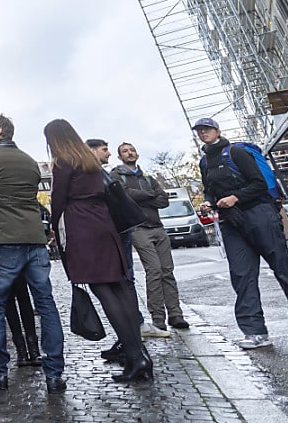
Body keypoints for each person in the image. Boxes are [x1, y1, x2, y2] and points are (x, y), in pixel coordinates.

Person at [0, 111, 66, 394]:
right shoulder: (28, 161)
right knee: (45, 304)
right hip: (35, 240)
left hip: (4, 240)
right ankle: (54, 374)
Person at [47, 119, 150, 383]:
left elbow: (58, 200)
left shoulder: (63, 162)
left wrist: (53, 228)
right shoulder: (89, 160)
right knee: (119, 288)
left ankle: (135, 356)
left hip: (82, 226)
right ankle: (139, 354)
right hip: (104, 224)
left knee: (103, 290)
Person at [194, 117, 288, 349]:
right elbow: (209, 190)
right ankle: (255, 331)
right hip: (231, 221)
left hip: (258, 214)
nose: (203, 133)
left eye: (207, 129)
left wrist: (236, 197)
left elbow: (258, 183)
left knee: (282, 269)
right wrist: (208, 202)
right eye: (200, 131)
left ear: (218, 131)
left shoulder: (235, 152)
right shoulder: (204, 161)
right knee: (242, 276)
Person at [111, 142, 188, 335]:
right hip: (138, 229)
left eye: (132, 150)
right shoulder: (116, 175)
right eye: (125, 151)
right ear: (119, 157)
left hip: (158, 227)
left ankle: (176, 314)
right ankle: (158, 318)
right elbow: (125, 195)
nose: (130, 153)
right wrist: (150, 195)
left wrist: (143, 197)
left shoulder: (147, 177)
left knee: (167, 271)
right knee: (154, 270)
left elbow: (163, 200)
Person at [87, 137, 145, 360]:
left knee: (123, 282)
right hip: (117, 231)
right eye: (104, 149)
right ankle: (131, 338)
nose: (108, 153)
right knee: (123, 281)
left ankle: (131, 339)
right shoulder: (98, 174)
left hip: (118, 231)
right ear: (91, 151)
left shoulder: (99, 174)